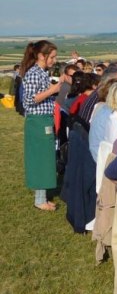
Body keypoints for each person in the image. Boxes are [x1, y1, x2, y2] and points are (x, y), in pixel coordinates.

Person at [21, 40, 61, 211]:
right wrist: (52, 91)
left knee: (44, 159)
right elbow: (28, 100)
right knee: (40, 159)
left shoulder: (42, 72)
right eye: (51, 57)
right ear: (41, 56)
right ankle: (39, 200)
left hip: (43, 119)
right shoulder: (33, 74)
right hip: (38, 121)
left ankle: (42, 197)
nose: (53, 60)